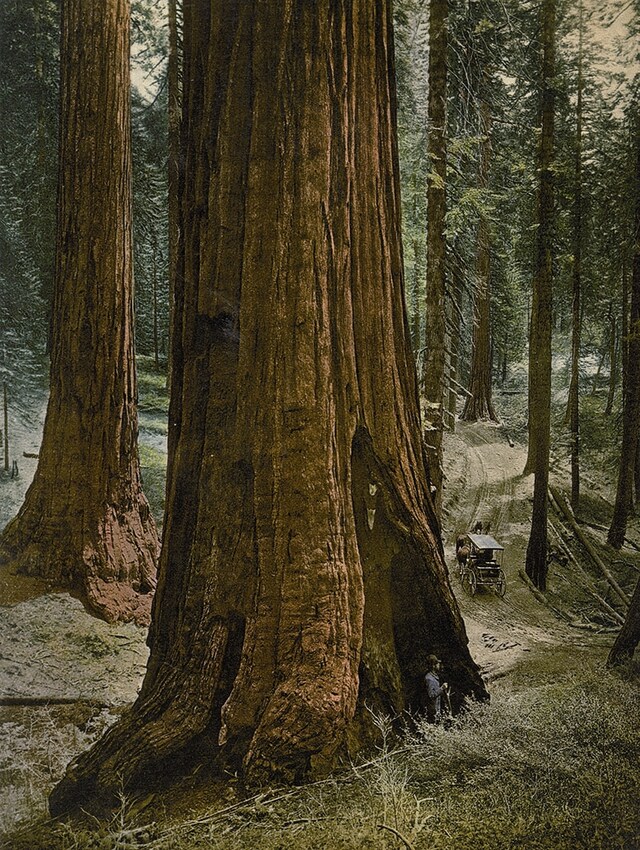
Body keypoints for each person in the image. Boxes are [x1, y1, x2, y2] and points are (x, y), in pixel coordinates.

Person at [424, 654, 449, 722]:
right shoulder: (429, 679)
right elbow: (431, 695)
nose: (439, 665)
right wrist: (442, 688)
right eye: (437, 663)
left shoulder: (434, 677)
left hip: (436, 711)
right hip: (432, 713)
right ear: (433, 665)